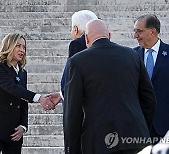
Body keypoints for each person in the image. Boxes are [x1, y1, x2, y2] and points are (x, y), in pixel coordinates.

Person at [63, 19, 156, 154]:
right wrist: (140, 129)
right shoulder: (133, 56)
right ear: (110, 36)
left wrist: (72, 149)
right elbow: (149, 99)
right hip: (136, 139)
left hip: (99, 142)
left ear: (87, 39)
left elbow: (72, 113)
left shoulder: (77, 62)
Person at [0, 33, 55, 154]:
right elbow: (13, 89)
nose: (22, 50)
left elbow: (23, 101)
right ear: (8, 46)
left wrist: (23, 126)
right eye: (18, 46)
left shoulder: (22, 73)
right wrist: (39, 98)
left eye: (24, 47)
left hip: (15, 132)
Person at [133, 14, 169, 142]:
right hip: (138, 126)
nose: (135, 35)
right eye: (135, 31)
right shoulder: (132, 56)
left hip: (165, 127)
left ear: (152, 31)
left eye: (139, 31)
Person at [49, 10, 98, 105]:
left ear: (75, 29)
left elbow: (73, 75)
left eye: (71, 28)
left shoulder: (77, 44)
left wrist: (64, 93)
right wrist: (61, 94)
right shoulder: (100, 43)